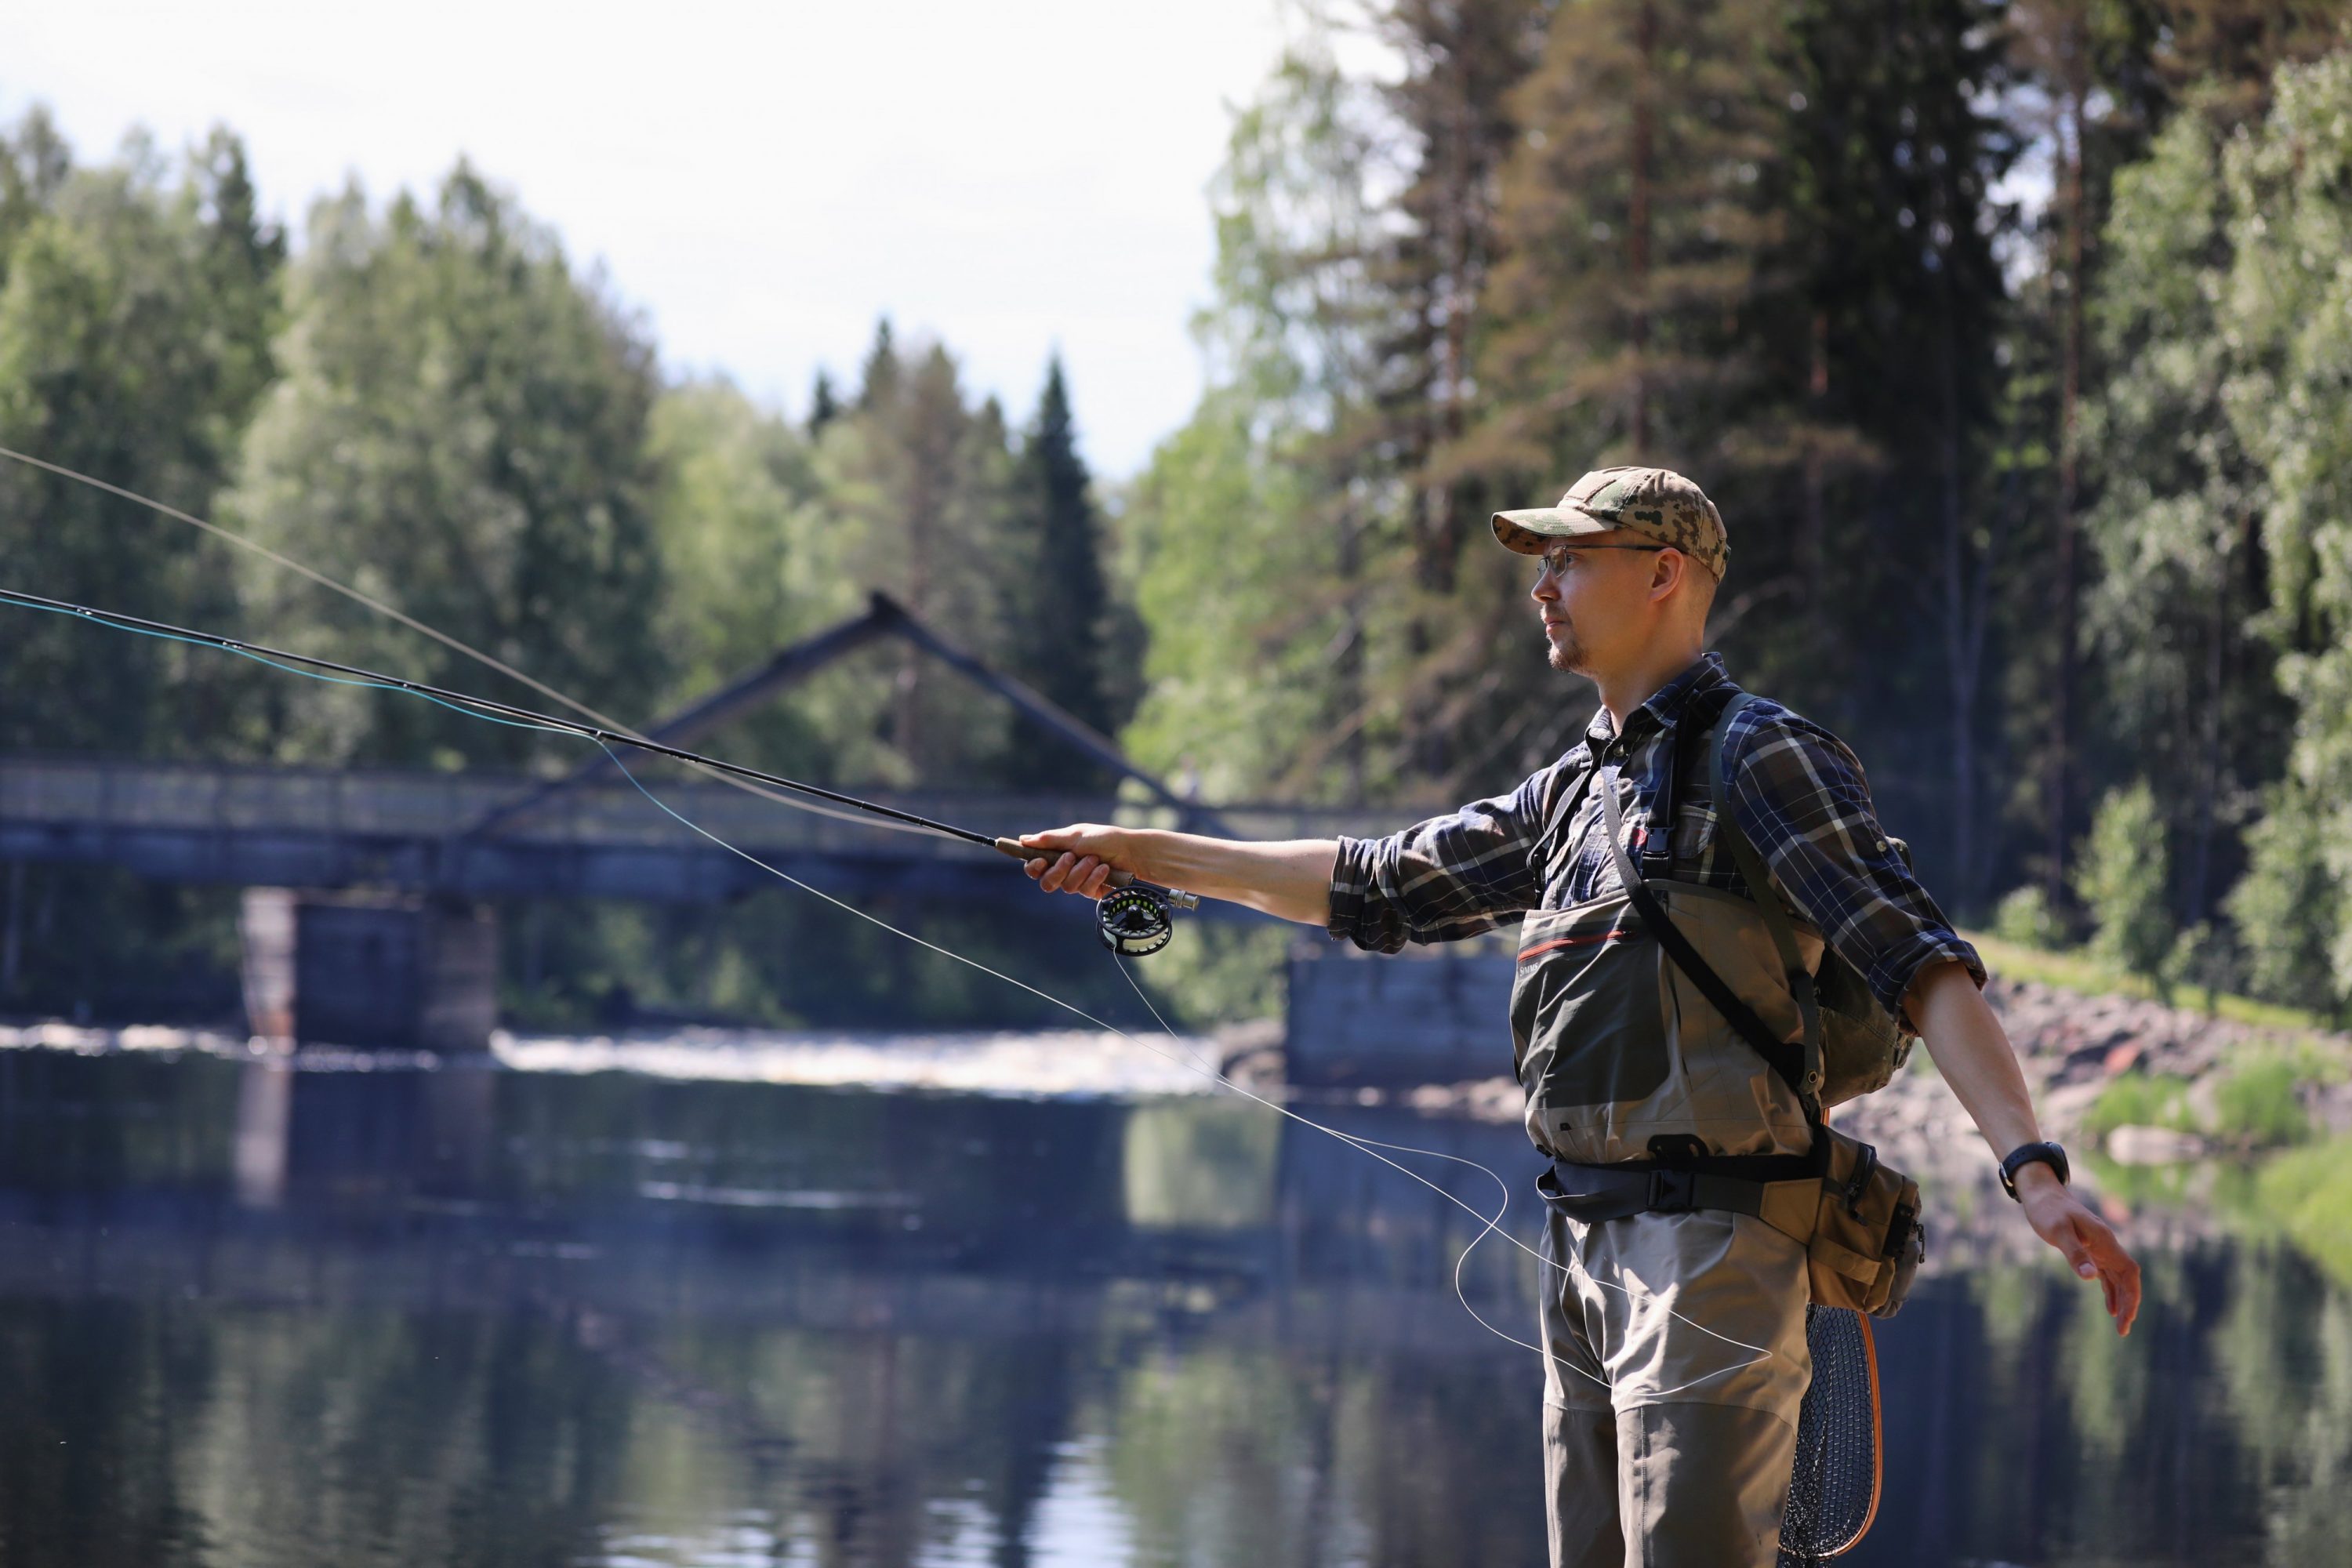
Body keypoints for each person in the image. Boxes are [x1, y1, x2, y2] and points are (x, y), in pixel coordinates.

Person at [1020, 466, 2141, 1566]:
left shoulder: (1763, 754)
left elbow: (1923, 966)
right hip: (1579, 1255)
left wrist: (2032, 1172)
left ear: (1664, 575)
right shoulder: (1569, 793)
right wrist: (1136, 854)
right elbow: (1373, 884)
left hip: (1716, 1247)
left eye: (1569, 561)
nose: (1540, 587)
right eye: (1540, 564)